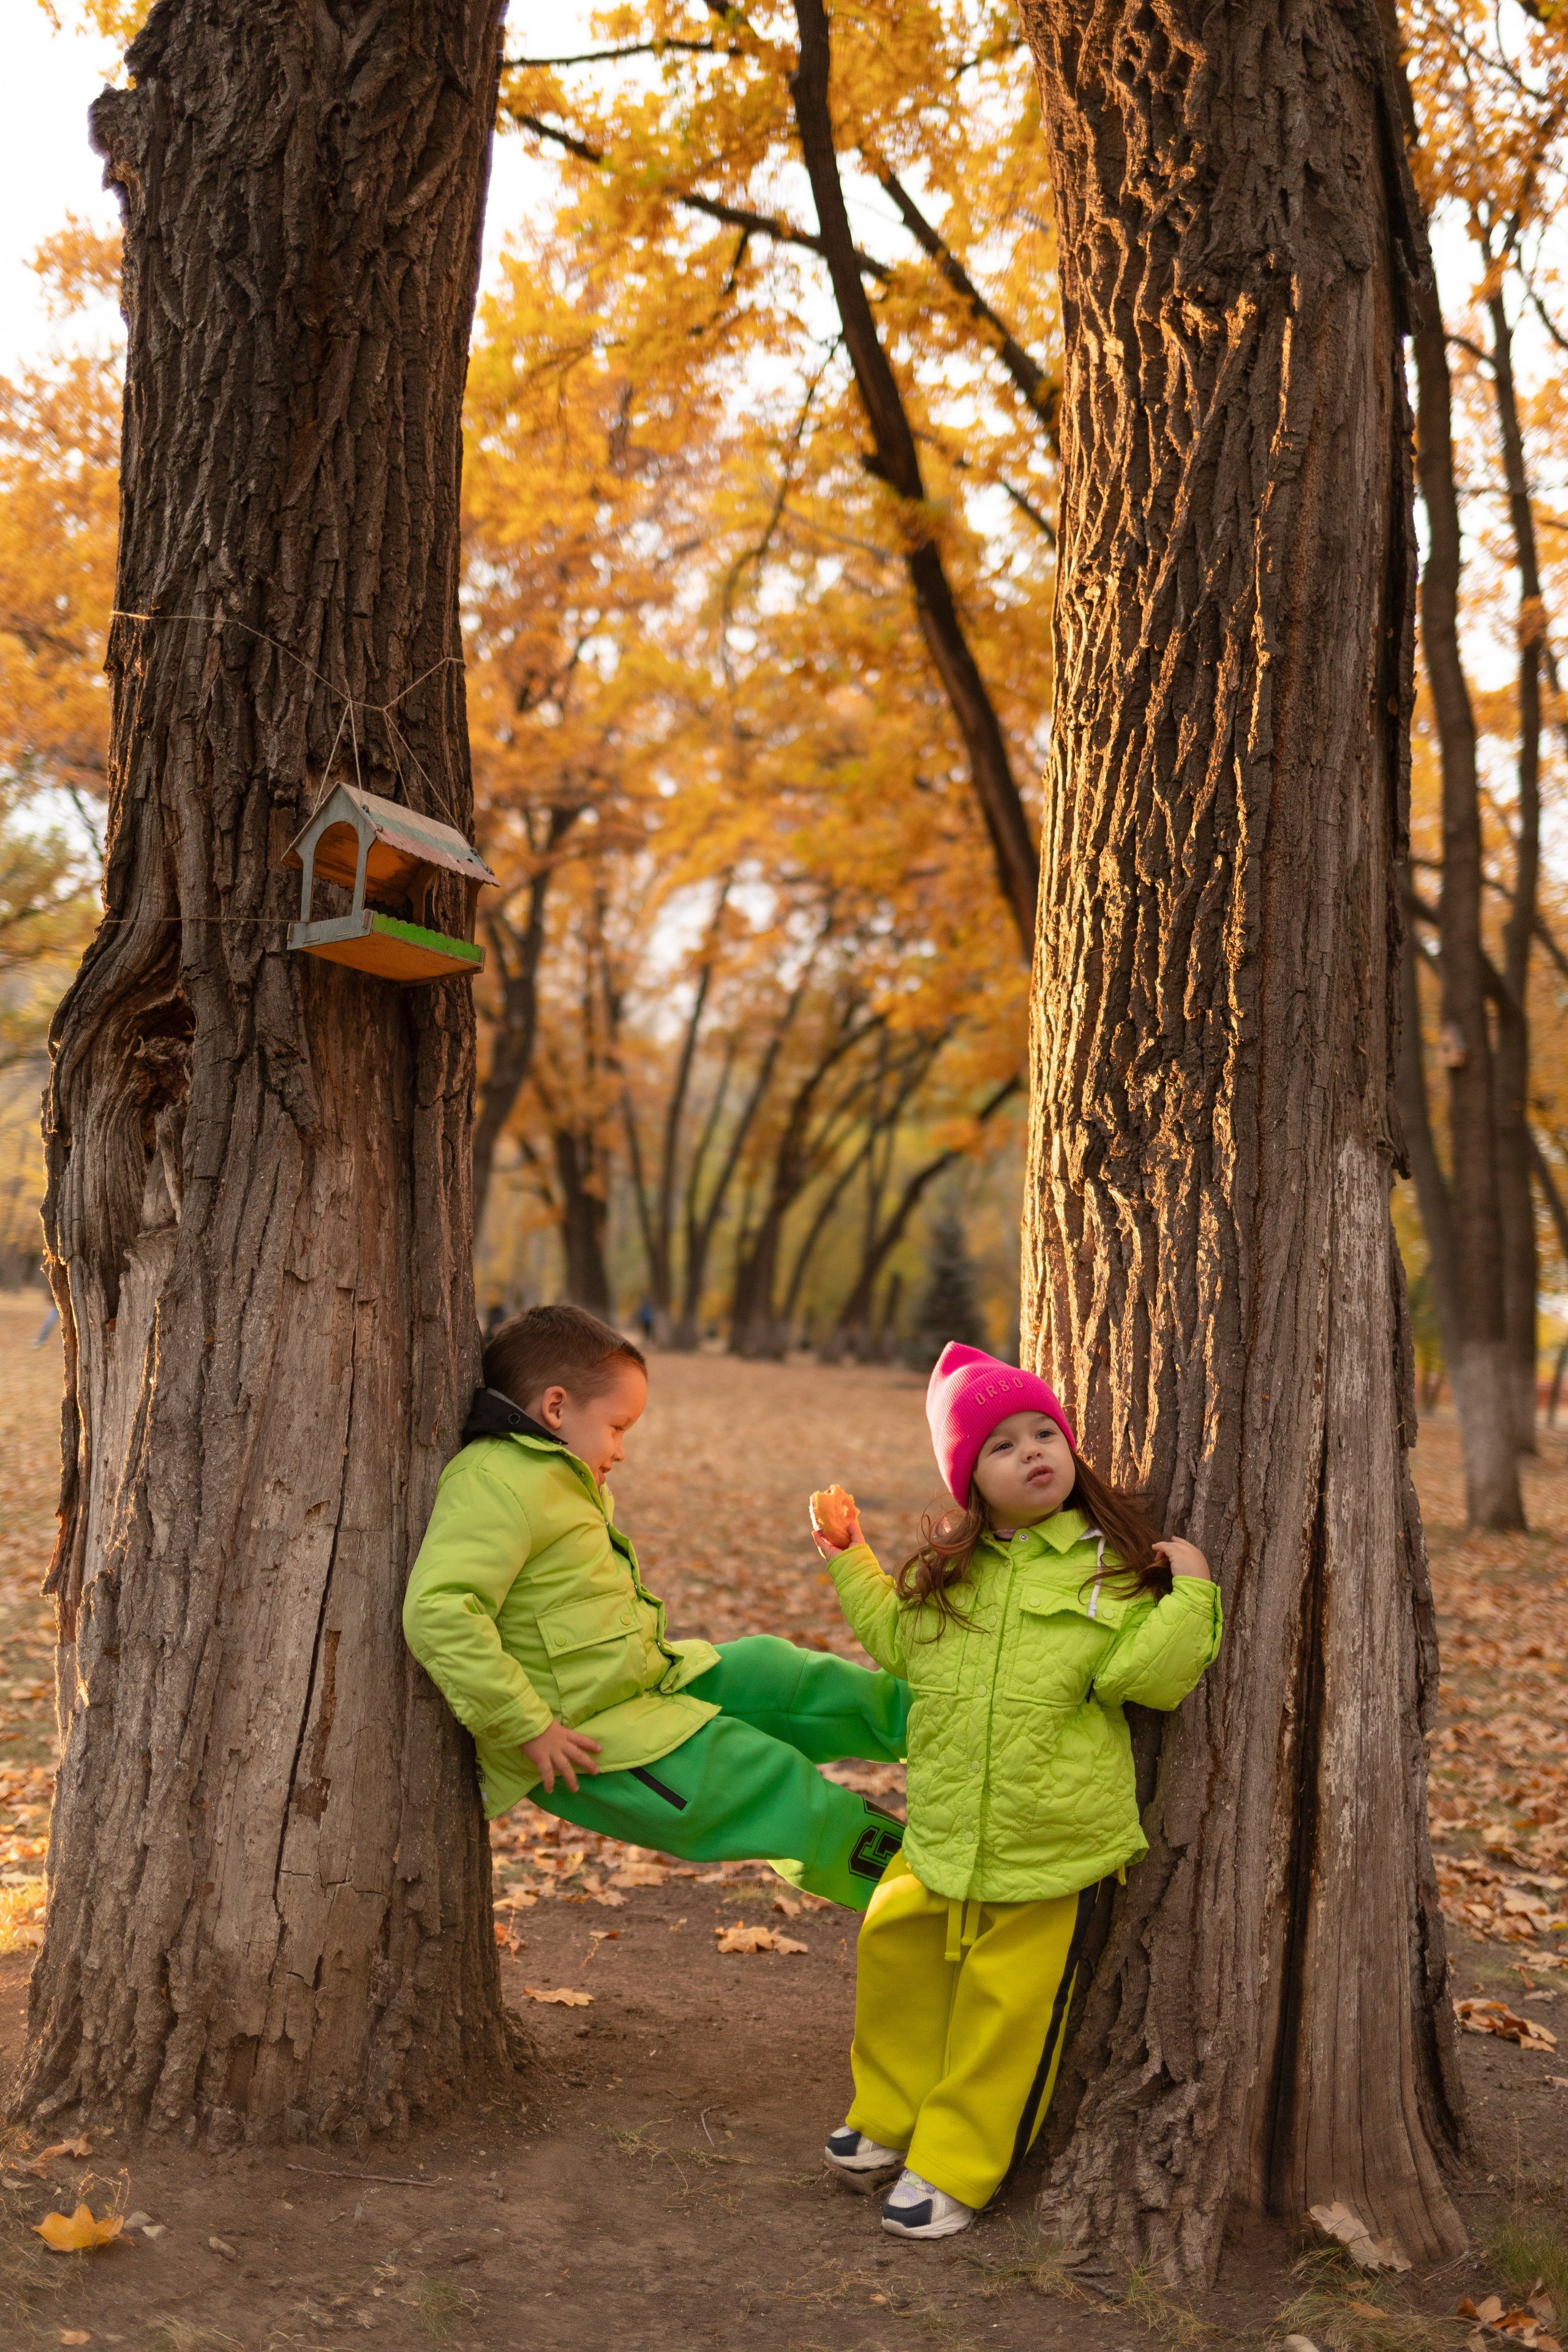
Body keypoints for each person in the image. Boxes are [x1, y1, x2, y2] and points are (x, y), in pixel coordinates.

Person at [812, 1342, 1222, 2241]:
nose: (1033, 1451)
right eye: (1001, 1445)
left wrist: (1189, 1595)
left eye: (1044, 1432)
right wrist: (851, 1558)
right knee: (895, 1959)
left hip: (1053, 1841)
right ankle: (886, 2116)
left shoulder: (1105, 1568)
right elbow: (895, 1639)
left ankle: (955, 2164)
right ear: (970, 1479)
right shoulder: (950, 1577)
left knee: (1008, 2013)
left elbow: (1144, 1680)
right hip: (945, 1830)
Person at [404, 1303, 908, 1908]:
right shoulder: (494, 1479)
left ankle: (938, 1721)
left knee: (779, 1672)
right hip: (589, 1737)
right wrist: (526, 1726)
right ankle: (922, 1889)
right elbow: (440, 1610)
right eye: (617, 1427)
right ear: (556, 1407)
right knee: (771, 1788)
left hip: (650, 1682)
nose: (620, 1449)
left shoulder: (556, 1473)